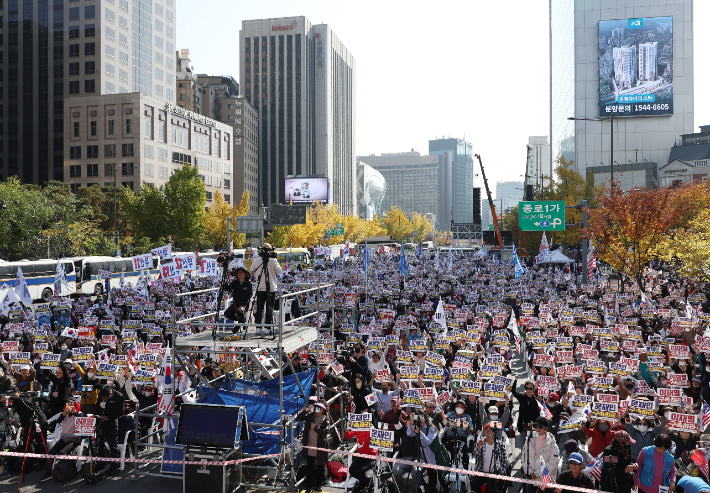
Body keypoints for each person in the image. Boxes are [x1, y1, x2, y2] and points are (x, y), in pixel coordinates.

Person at [39, 401, 82, 483]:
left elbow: (84, 418)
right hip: (64, 439)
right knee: (51, 453)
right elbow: (58, 421)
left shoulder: (79, 413)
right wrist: (64, 413)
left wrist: (75, 413)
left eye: (72, 405)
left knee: (63, 453)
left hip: (75, 439)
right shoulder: (63, 414)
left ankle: (67, 472)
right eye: (68, 404)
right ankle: (47, 473)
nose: (70, 406)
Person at [249, 243, 283, 333]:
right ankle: (267, 328)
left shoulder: (256, 260)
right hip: (271, 288)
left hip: (260, 288)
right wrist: (274, 260)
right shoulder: (273, 260)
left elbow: (252, 271)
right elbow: (279, 271)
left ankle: (258, 328)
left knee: (259, 308)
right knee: (269, 308)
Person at [296, 402, 329, 493]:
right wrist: (307, 410)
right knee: (309, 467)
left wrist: (316, 428)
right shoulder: (310, 416)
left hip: (320, 448)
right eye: (316, 407)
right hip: (309, 447)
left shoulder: (325, 418)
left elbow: (325, 432)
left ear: (323, 410)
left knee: (320, 467)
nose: (317, 409)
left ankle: (319, 485)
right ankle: (309, 486)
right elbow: (299, 417)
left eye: (319, 408)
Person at [520, 416, 559, 493]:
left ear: (545, 429)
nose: (537, 428)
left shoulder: (552, 443)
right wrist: (530, 472)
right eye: (535, 426)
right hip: (530, 480)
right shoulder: (528, 439)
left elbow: (553, 464)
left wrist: (536, 474)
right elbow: (524, 457)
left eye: (540, 426)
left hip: (546, 483)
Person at [470, 422, 510, 493]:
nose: (488, 430)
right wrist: (478, 447)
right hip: (482, 473)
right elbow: (475, 456)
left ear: (494, 432)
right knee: (473, 482)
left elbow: (504, 462)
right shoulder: (480, 442)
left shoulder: (500, 445)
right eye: (486, 429)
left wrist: (500, 473)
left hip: (495, 474)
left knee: (492, 486)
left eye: (491, 429)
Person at [406, 412, 438, 493]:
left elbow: (428, 442)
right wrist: (411, 423)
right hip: (423, 459)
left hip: (432, 459)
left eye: (421, 417)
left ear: (425, 418)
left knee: (431, 485)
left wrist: (420, 433)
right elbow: (409, 433)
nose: (419, 419)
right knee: (424, 483)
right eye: (417, 417)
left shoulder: (431, 428)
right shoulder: (418, 427)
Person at [96, 384, 125, 474]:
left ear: (110, 394)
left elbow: (120, 411)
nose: (104, 399)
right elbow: (97, 407)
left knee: (113, 444)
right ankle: (100, 463)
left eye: (106, 397)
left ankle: (114, 466)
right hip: (101, 422)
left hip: (111, 422)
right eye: (103, 397)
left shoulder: (119, 396)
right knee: (99, 444)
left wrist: (109, 417)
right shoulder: (101, 396)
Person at [512, 377, 541, 450]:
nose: (528, 390)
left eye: (530, 388)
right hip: (523, 427)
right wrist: (515, 380)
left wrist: (534, 422)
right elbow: (513, 391)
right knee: (524, 447)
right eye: (527, 388)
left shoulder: (536, 400)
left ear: (533, 389)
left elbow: (539, 415)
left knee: (533, 448)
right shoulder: (522, 397)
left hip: (534, 427)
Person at [224, 266, 253, 334]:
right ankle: (242, 321)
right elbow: (227, 289)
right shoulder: (235, 283)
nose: (240, 273)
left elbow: (249, 296)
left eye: (241, 272)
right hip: (235, 304)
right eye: (239, 272)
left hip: (244, 304)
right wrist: (226, 281)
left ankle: (237, 328)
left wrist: (243, 306)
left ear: (245, 274)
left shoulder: (248, 284)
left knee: (240, 312)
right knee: (226, 314)